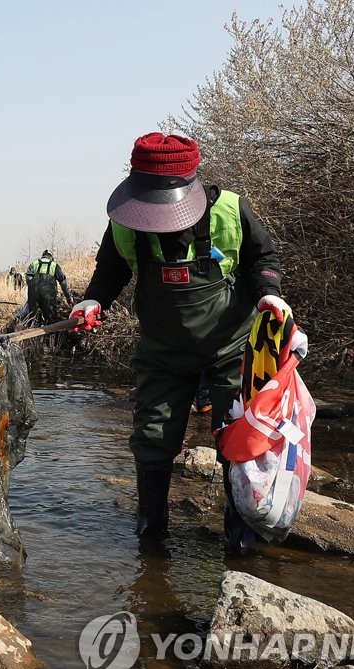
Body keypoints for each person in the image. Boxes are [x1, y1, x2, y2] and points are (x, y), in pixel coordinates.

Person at [70, 132, 288, 555]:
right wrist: (93, 299)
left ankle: (238, 541)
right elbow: (110, 270)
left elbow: (263, 259)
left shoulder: (231, 210)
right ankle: (151, 540)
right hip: (162, 353)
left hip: (232, 349)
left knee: (239, 442)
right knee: (152, 439)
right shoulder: (124, 222)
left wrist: (268, 293)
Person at [25, 249, 73, 326]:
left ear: (42, 256)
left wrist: (32, 295)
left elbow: (28, 279)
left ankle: (31, 336)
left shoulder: (34, 263)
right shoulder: (54, 265)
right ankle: (51, 336)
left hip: (33, 293)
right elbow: (63, 283)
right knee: (51, 319)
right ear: (51, 257)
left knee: (32, 318)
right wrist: (68, 297)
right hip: (48, 294)